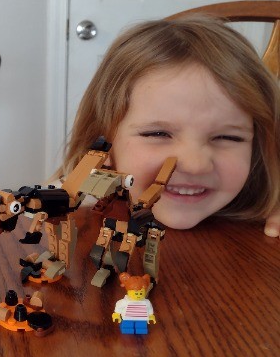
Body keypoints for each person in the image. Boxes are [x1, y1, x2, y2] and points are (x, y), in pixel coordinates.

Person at [56, 15, 280, 237]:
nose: (195, 165)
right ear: (102, 143)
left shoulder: (264, 205)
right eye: (158, 133)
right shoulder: (63, 208)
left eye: (227, 137)